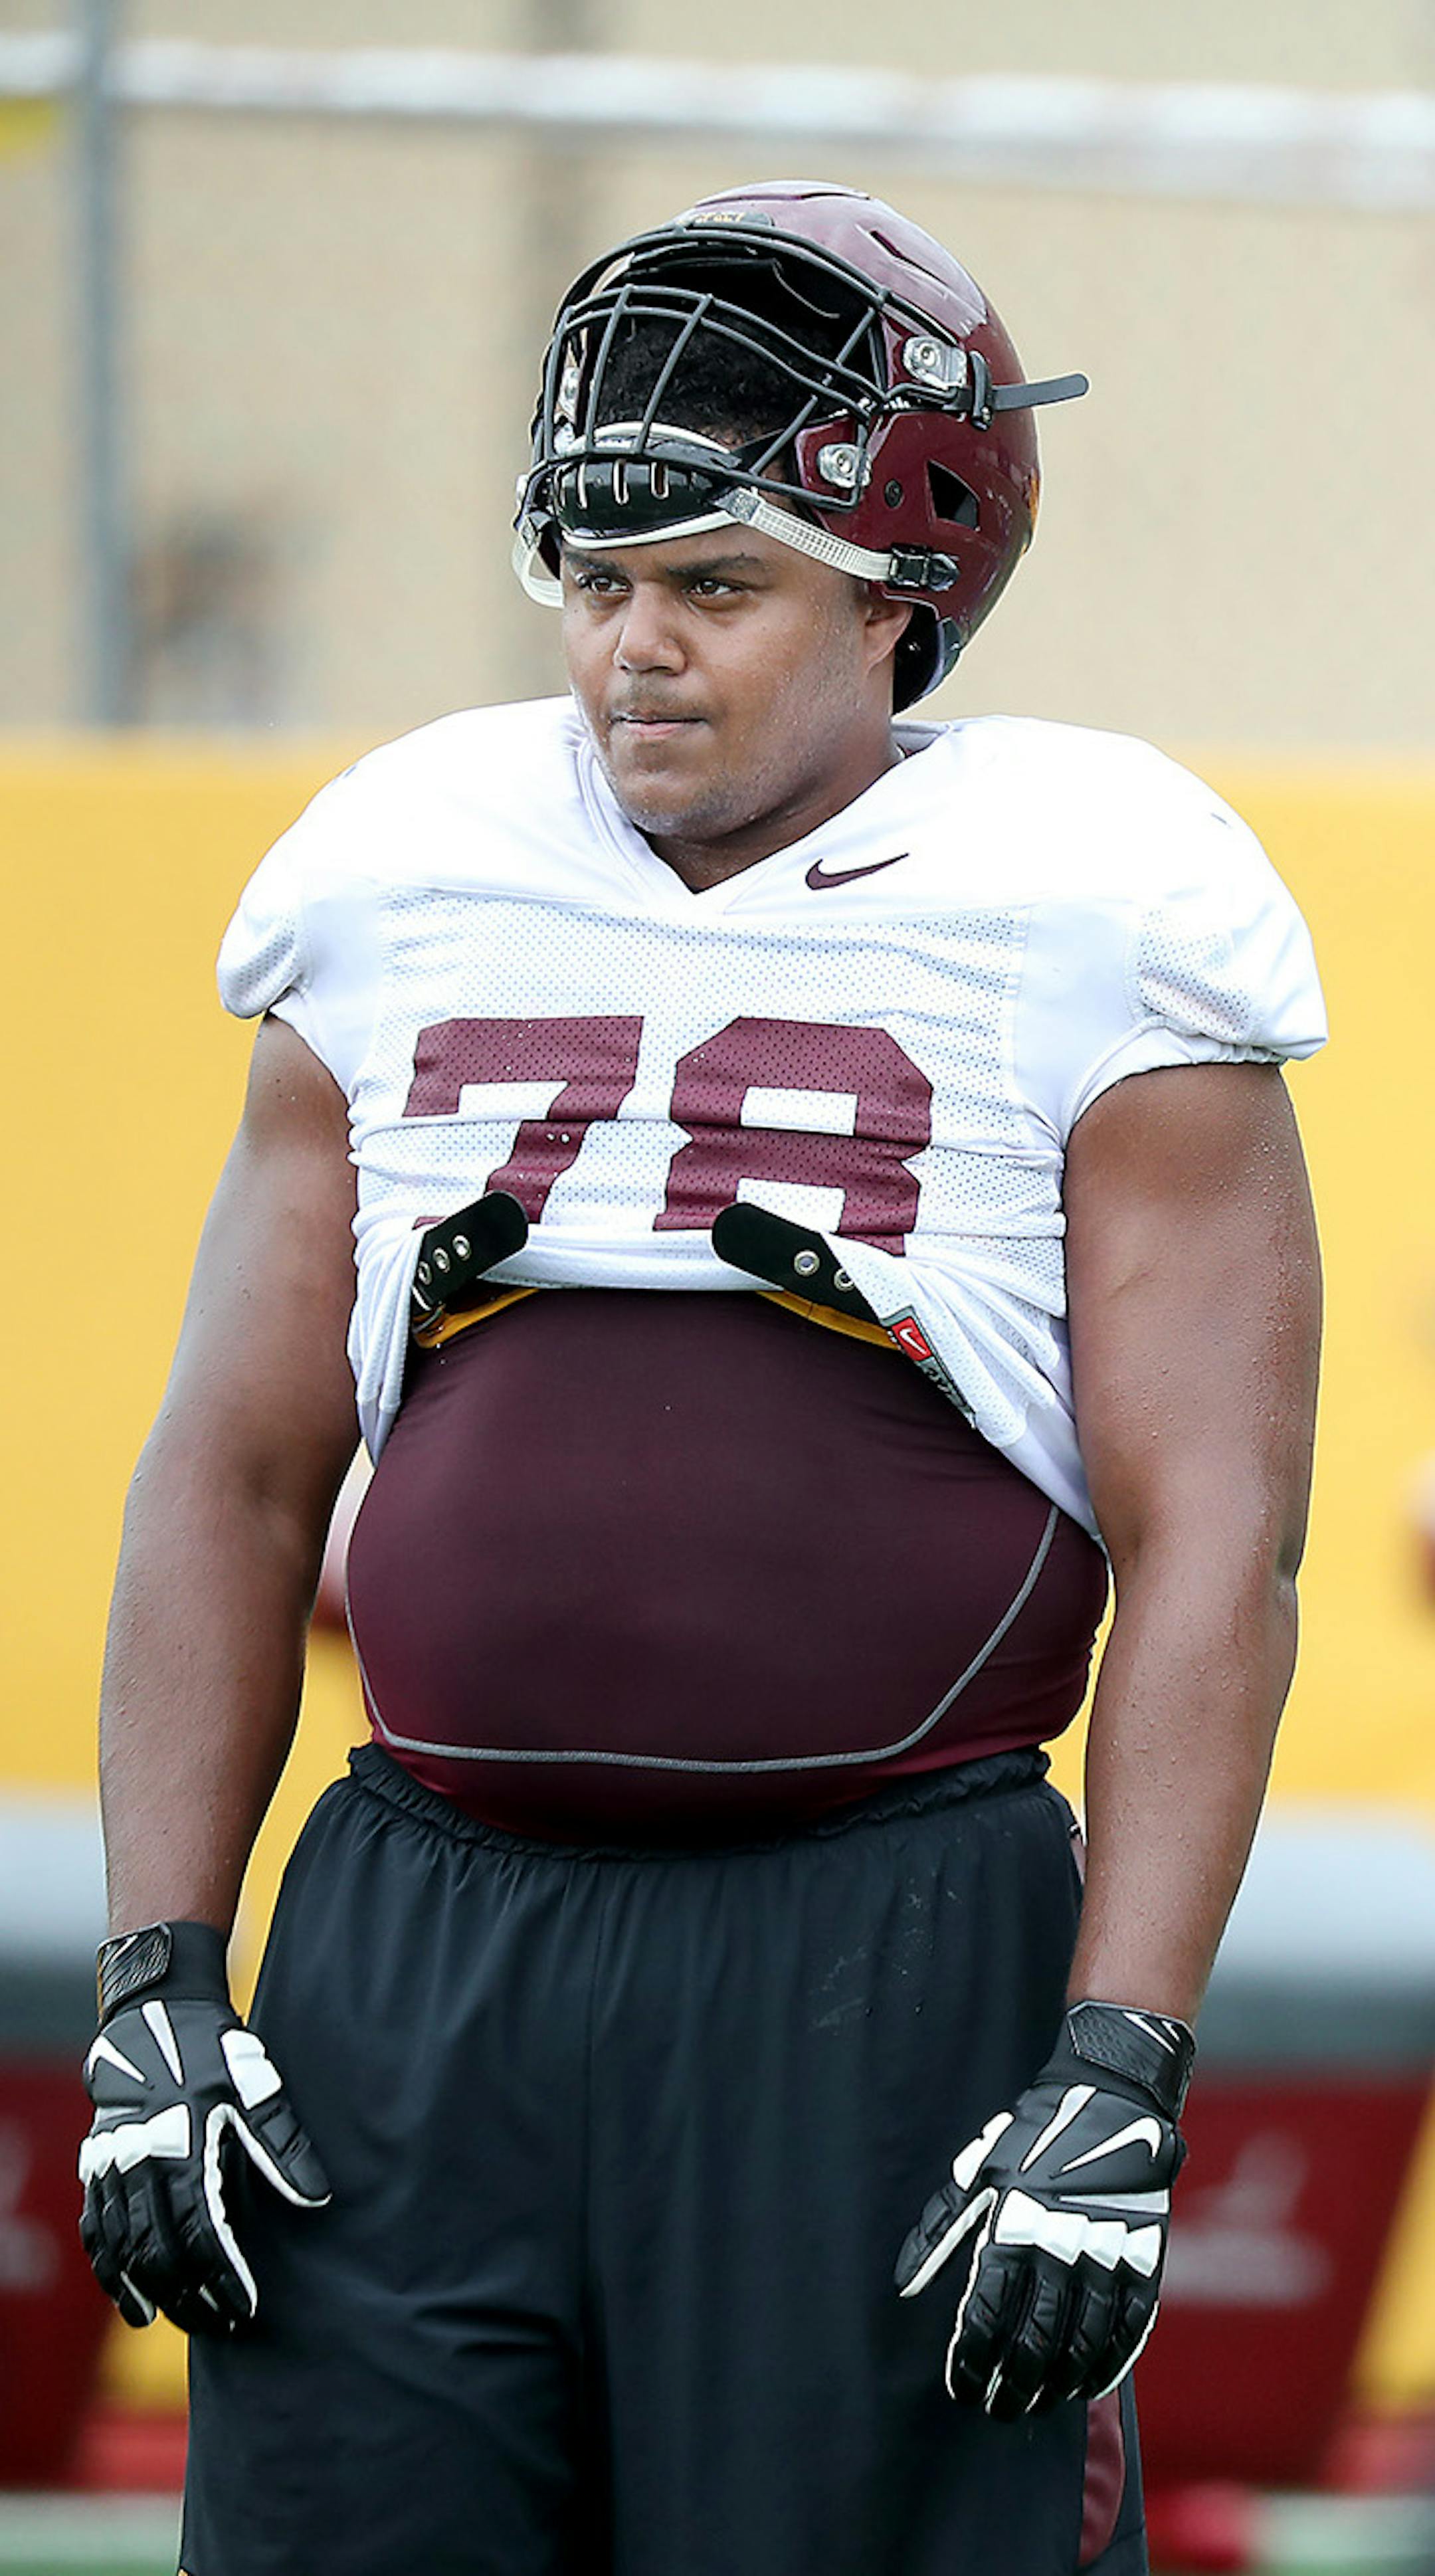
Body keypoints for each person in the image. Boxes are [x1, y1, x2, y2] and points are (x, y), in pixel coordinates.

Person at [78, 181, 1325, 2576]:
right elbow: (233, 1474)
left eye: (718, 586)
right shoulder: (400, 862)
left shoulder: (1098, 894)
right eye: (597, 580)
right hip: (406, 1957)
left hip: (878, 1956)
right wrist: (158, 1968)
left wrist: (1118, 2058)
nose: (631, 651)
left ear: (900, 600)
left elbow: (1215, 1538)